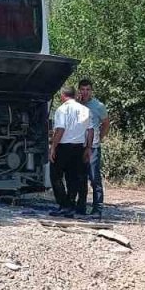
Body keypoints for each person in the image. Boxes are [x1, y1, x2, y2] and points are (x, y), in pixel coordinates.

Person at [48, 85, 92, 218]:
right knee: (72, 177)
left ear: (63, 95)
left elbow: (60, 130)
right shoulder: (85, 109)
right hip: (79, 147)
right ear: (75, 95)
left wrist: (53, 147)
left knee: (55, 176)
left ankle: (63, 205)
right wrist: (88, 148)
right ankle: (71, 204)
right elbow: (90, 130)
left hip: (63, 146)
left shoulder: (62, 110)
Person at [77, 79, 110, 217]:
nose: (85, 92)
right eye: (82, 89)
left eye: (88, 89)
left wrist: (99, 138)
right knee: (80, 177)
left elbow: (106, 124)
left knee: (94, 177)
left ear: (92, 91)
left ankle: (97, 209)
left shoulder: (98, 106)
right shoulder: (76, 104)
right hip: (78, 145)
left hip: (93, 147)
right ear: (79, 90)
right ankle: (81, 207)